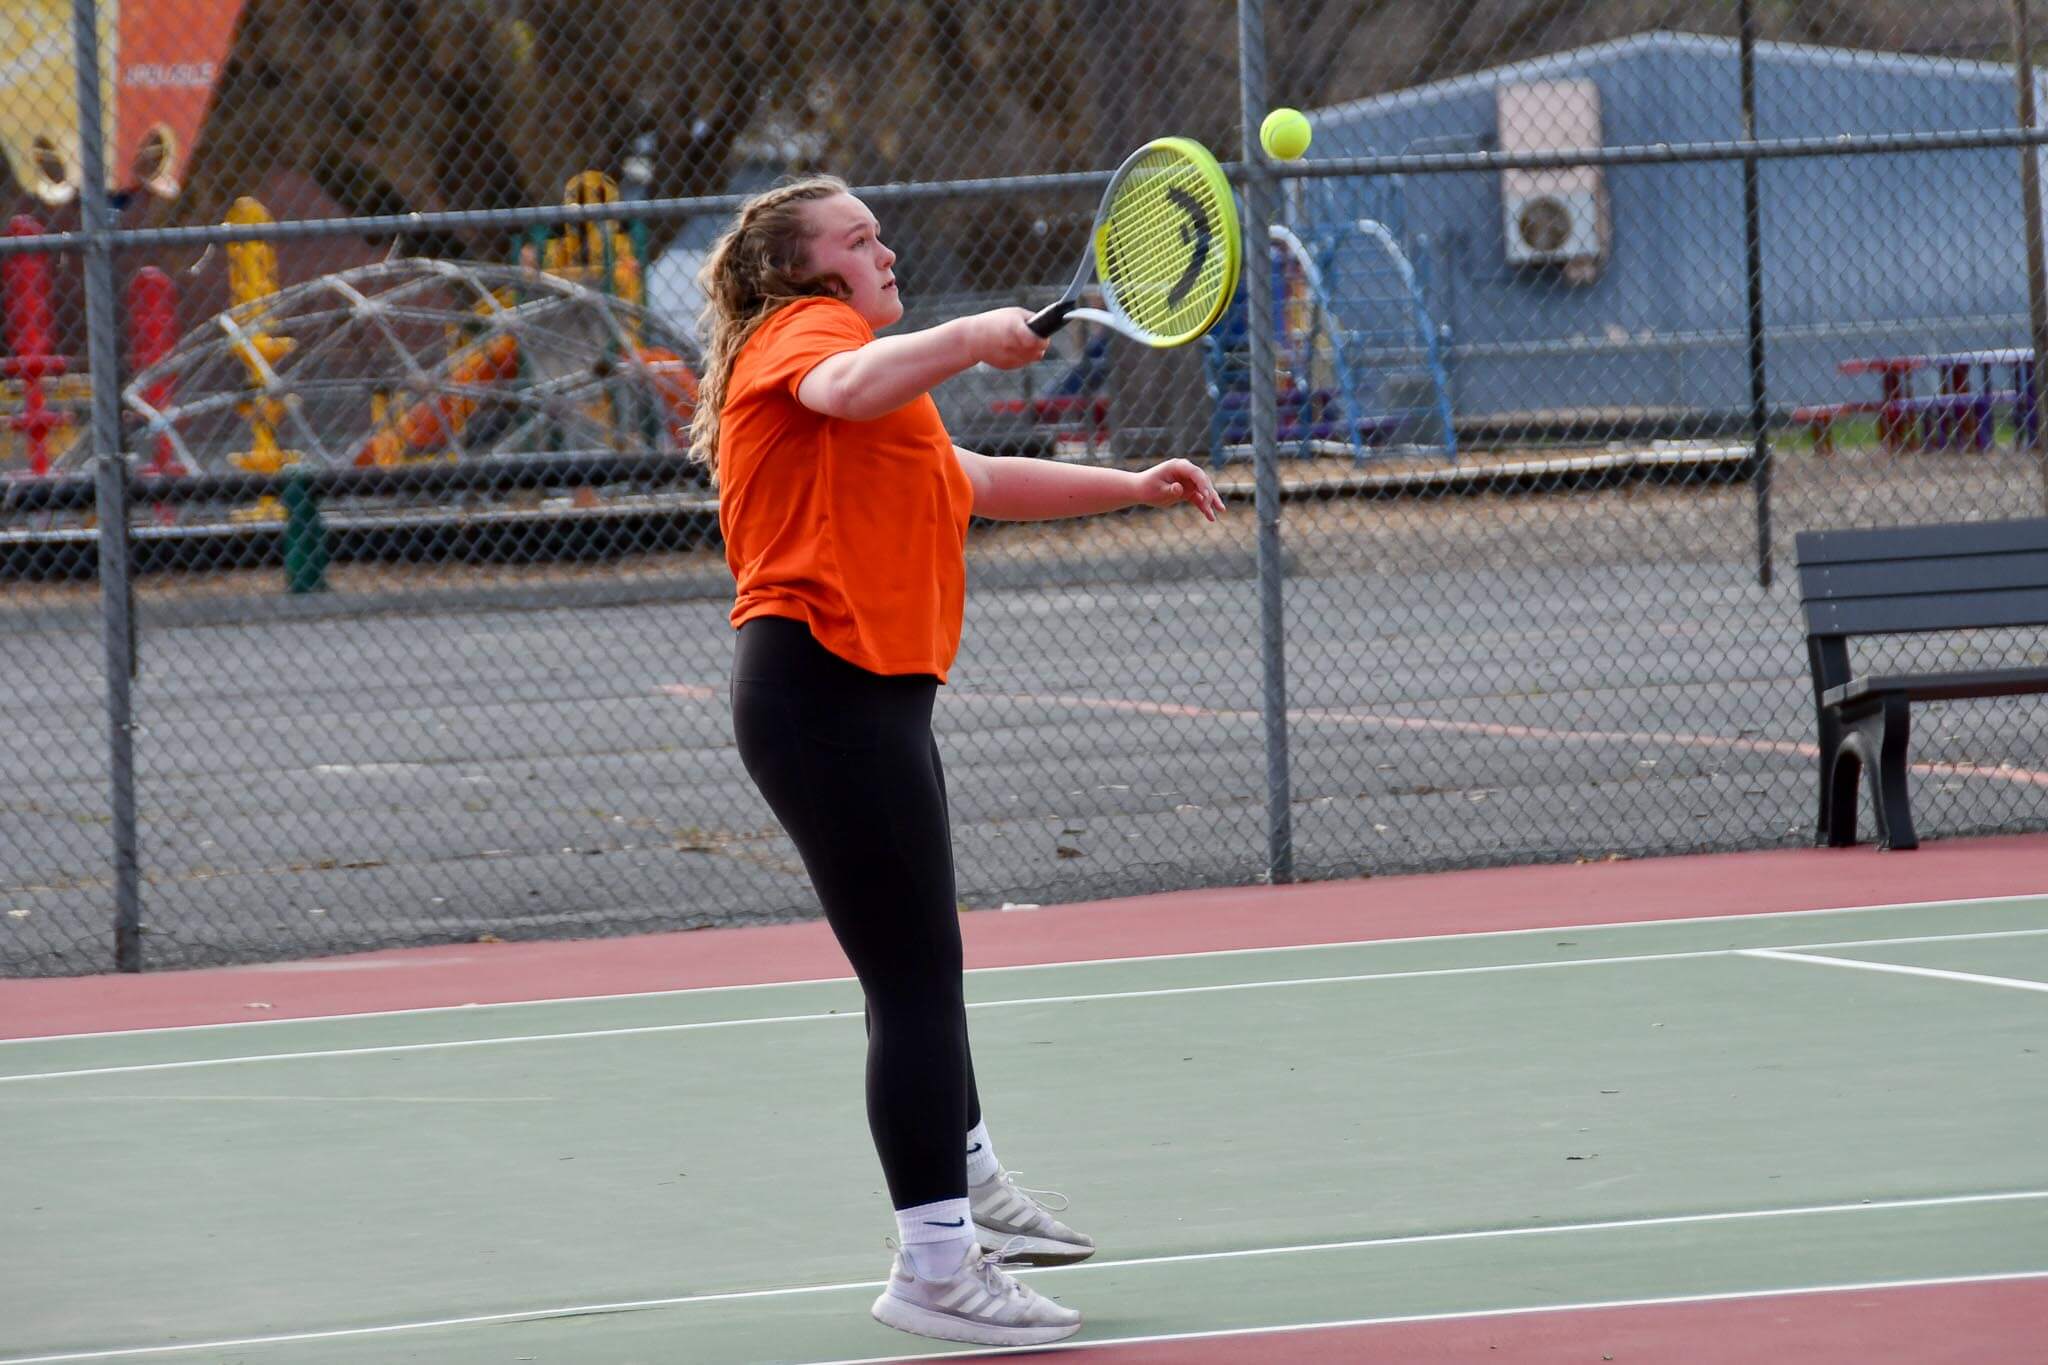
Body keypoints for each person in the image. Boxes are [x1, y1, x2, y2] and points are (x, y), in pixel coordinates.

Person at [690, 176, 1224, 1349]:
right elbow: (845, 380)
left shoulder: (884, 396)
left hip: (867, 696)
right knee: (913, 984)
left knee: (926, 967)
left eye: (880, 233)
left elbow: (968, 482)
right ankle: (934, 1270)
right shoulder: (806, 336)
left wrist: (1129, 486)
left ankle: (967, 1176)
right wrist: (973, 339)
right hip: (822, 688)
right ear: (802, 271)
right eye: (857, 237)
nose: (882, 251)